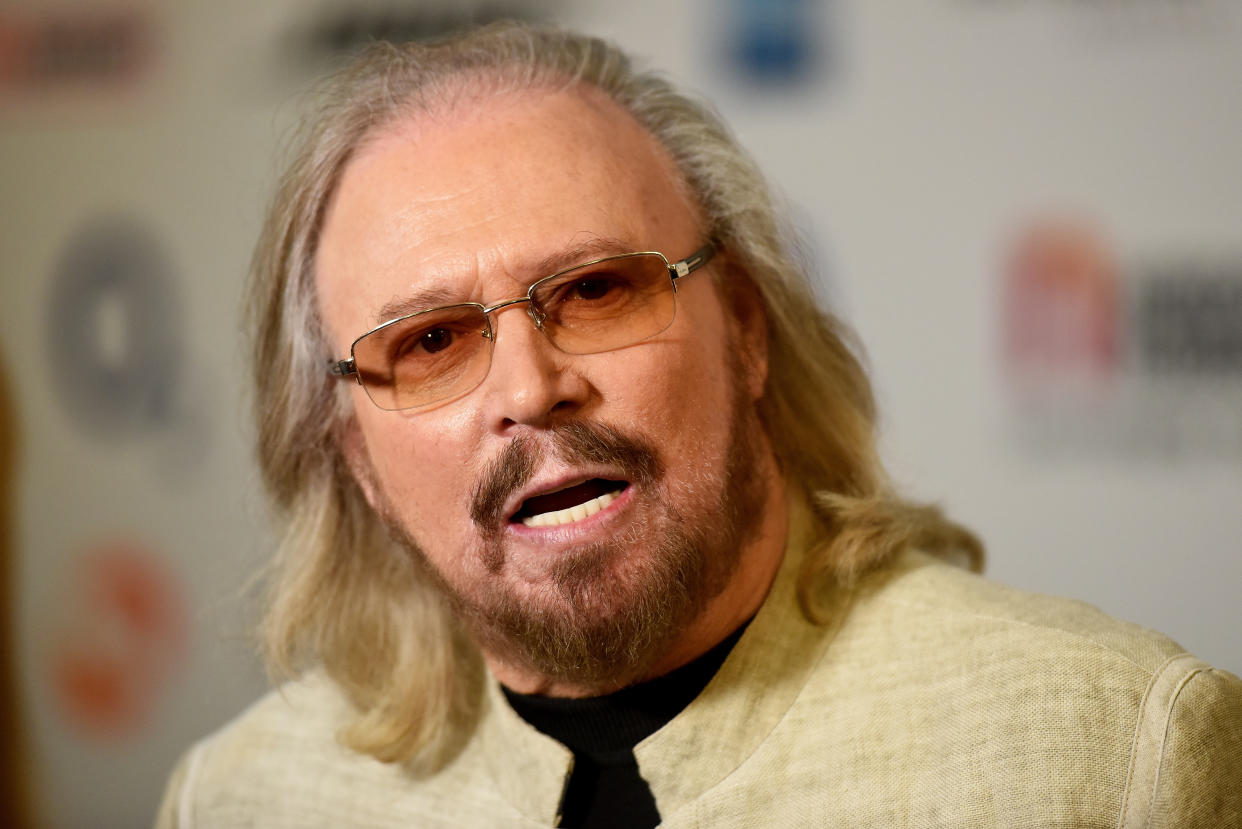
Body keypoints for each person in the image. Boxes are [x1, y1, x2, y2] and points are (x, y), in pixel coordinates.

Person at [156, 22, 1242, 829]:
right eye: (432, 342)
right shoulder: (240, 799)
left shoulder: (1117, 752)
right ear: (359, 460)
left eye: (595, 291)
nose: (531, 389)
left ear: (747, 330)